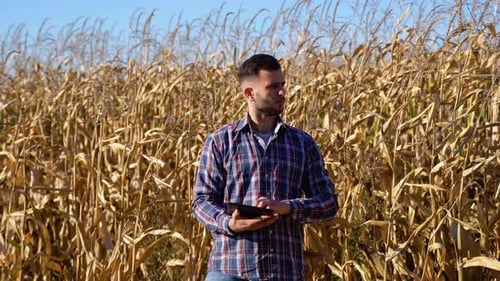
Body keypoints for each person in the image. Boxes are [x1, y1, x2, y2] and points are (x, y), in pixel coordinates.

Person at [192, 53, 339, 281]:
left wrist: (287, 207)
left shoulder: (302, 143)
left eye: (282, 85)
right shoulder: (220, 141)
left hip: (282, 270)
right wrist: (229, 223)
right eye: (272, 87)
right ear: (249, 93)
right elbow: (201, 201)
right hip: (230, 269)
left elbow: (328, 202)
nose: (282, 92)